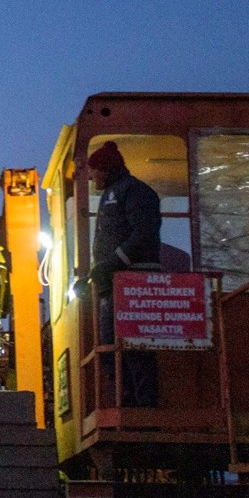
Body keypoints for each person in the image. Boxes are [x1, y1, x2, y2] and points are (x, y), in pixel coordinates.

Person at [86, 141, 162, 408]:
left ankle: (142, 408)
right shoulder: (117, 192)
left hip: (133, 285)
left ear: (105, 170)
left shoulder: (135, 192)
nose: (91, 176)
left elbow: (144, 234)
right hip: (114, 285)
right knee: (111, 350)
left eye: (94, 170)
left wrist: (112, 263)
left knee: (134, 347)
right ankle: (126, 402)